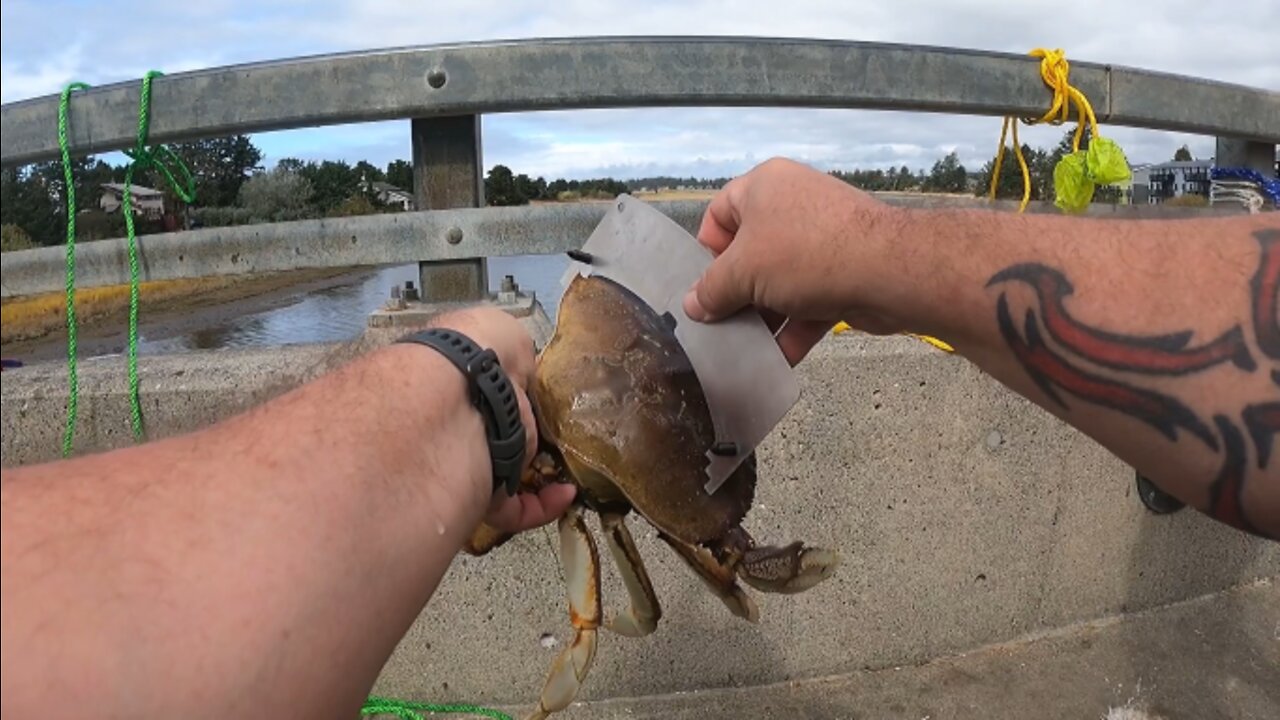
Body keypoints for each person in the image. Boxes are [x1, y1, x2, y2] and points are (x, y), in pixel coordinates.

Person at [1, 157, 1275, 718]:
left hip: (524, 403)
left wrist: (459, 386)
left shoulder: (565, 316)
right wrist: (881, 257)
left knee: (644, 575)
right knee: (660, 574)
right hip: (560, 418)